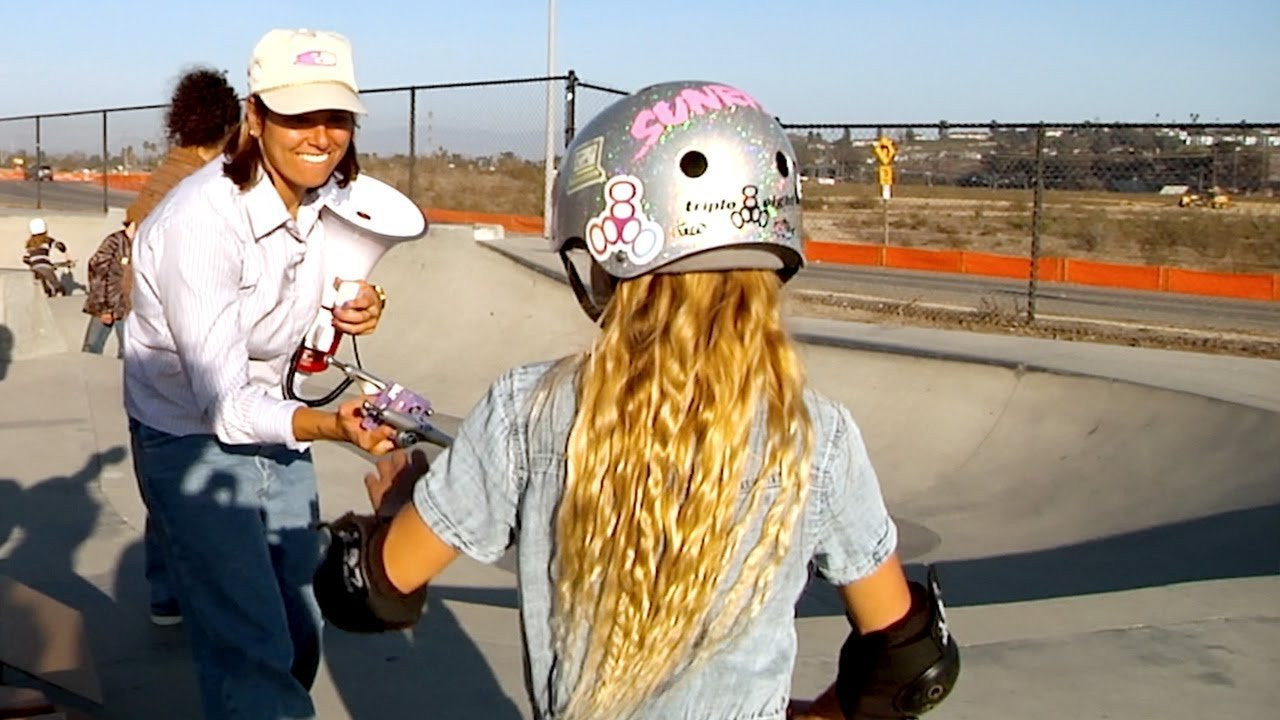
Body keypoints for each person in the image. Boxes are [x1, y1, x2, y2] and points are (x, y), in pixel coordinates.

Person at [314, 81, 960, 720]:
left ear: (605, 254)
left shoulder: (528, 410)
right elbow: (907, 659)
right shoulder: (817, 435)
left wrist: (401, 508)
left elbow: (367, 591)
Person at [122, 28, 395, 720]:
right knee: (253, 645)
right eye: (298, 115)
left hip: (279, 424)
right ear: (255, 117)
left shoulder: (330, 193)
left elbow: (304, 312)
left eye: (336, 116)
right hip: (193, 439)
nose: (321, 134)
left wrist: (356, 305)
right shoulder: (201, 223)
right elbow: (224, 406)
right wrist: (329, 426)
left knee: (299, 634)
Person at [91, 66, 243, 618]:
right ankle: (194, 587)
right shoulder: (202, 187)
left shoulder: (164, 174)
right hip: (185, 341)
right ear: (229, 124)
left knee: (158, 466)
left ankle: (166, 592)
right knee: (196, 468)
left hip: (144, 340)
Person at [80, 222, 133, 357]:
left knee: (127, 351)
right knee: (92, 347)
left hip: (127, 306)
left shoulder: (142, 244)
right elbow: (97, 273)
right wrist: (104, 309)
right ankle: (87, 374)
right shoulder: (114, 242)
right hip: (107, 301)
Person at [22, 218, 72, 297]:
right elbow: (60, 246)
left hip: (34, 269)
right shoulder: (47, 240)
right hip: (46, 267)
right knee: (57, 287)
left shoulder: (29, 244)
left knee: (42, 287)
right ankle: (59, 300)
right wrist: (64, 251)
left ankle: (46, 292)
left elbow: (25, 259)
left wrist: (34, 263)